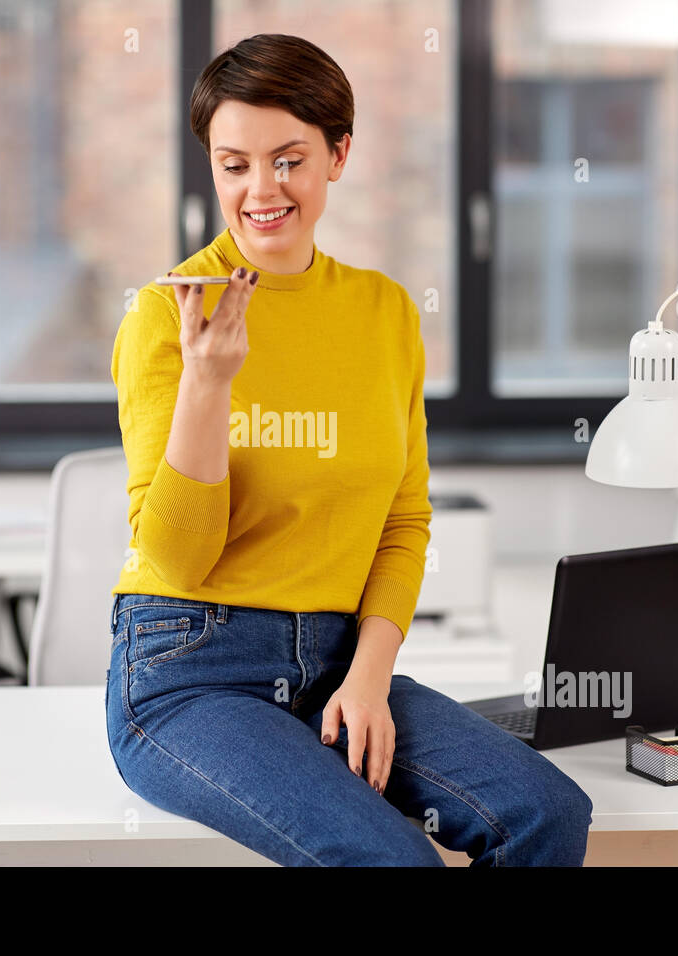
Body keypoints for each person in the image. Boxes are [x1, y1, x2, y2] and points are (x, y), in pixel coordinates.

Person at [106, 32, 592, 866]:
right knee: (393, 860)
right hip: (190, 668)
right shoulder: (171, 314)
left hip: (338, 662)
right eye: (234, 164)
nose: (262, 189)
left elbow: (404, 519)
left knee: (548, 812)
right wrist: (207, 383)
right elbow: (179, 561)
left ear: (339, 154)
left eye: (289, 158)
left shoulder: (385, 314)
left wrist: (370, 675)